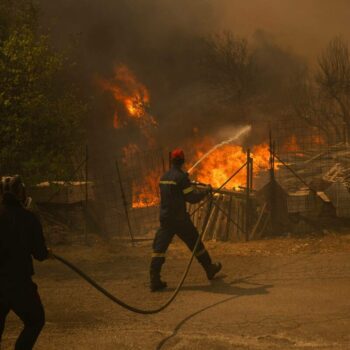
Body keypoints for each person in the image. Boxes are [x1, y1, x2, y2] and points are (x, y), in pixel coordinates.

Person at [150, 149, 222, 292]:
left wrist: (185, 181)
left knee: (159, 249)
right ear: (182, 161)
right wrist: (205, 191)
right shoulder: (181, 178)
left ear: (172, 161)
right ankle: (209, 269)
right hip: (180, 220)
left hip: (165, 219)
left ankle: (154, 280)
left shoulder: (164, 177)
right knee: (196, 244)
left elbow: (173, 193)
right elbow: (192, 198)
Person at [0, 175, 53, 350]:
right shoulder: (29, 219)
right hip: (19, 285)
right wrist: (46, 253)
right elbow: (39, 253)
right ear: (20, 193)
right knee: (35, 320)